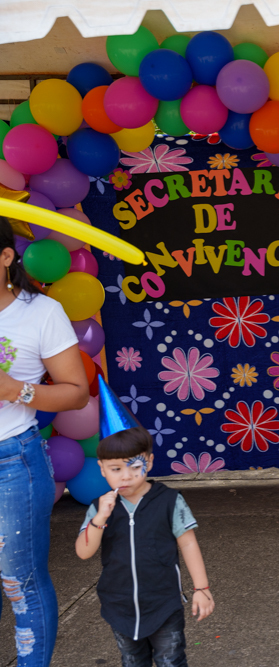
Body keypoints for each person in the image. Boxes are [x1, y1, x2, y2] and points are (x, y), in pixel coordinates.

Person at [0, 217, 89, 666]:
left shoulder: (40, 312)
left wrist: (14, 389)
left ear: (6, 257)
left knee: (20, 582)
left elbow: (75, 393)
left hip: (12, 461)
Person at [75, 426, 214, 666]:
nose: (126, 476)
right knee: (132, 660)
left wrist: (201, 588)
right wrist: (99, 520)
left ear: (148, 462)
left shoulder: (170, 501)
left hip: (163, 602)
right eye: (115, 469)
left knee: (171, 659)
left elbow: (188, 543)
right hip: (119, 605)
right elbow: (83, 552)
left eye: (135, 466)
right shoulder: (99, 507)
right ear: (102, 468)